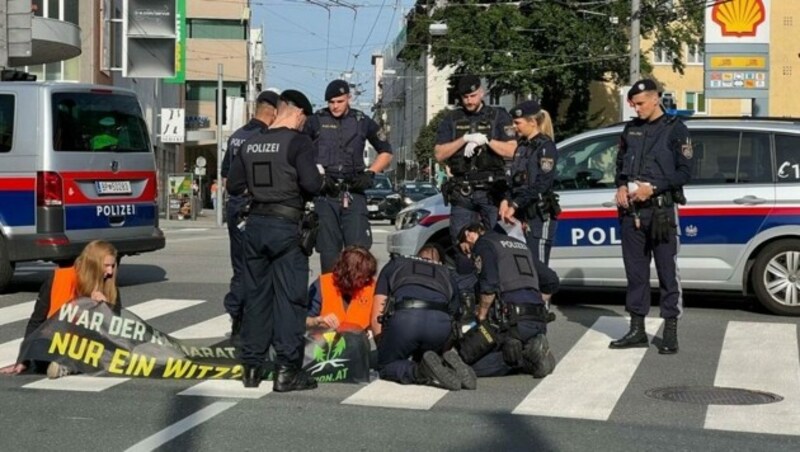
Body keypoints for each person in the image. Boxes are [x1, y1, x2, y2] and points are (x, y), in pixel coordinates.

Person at [226, 89, 322, 390]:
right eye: (304, 118)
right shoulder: (298, 142)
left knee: (256, 298)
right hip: (286, 226)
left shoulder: (250, 143)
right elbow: (311, 184)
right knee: (290, 300)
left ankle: (251, 368)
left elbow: (234, 185)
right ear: (298, 113)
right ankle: (286, 371)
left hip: (255, 225)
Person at [609, 79, 693, 354]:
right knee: (636, 274)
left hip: (661, 212)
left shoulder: (675, 129)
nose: (636, 108)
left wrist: (653, 188)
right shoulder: (631, 128)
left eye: (641, 103)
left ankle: (670, 330)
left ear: (656, 99)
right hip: (631, 213)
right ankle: (636, 329)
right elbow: (620, 166)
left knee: (668, 273)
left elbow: (684, 172)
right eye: (633, 104)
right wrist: (621, 186)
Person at [434, 75, 516, 293]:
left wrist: (487, 140)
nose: (469, 101)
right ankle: (467, 295)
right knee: (462, 244)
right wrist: (464, 139)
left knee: (495, 244)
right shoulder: (451, 119)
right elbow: (440, 153)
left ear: (482, 92)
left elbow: (512, 150)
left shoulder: (498, 116)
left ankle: (494, 293)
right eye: (465, 97)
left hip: (491, 190)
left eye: (473, 95)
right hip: (463, 191)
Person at [305, 79, 393, 273]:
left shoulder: (362, 121)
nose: (335, 106)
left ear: (348, 99)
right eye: (331, 102)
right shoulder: (316, 120)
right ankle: (330, 301)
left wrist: (370, 173)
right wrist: (317, 174)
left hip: (354, 191)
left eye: (339, 101)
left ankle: (357, 300)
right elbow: (300, 151)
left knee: (358, 254)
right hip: (326, 194)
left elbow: (386, 151)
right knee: (329, 254)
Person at [0, 240, 121, 379]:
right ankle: (66, 364)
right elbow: (37, 321)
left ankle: (68, 366)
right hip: (57, 341)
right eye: (106, 266)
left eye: (113, 266)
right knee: (43, 350)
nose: (110, 271)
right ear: (92, 264)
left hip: (89, 345)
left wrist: (104, 308)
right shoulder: (60, 278)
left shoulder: (110, 288)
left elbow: (115, 331)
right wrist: (23, 360)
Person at [457, 223, 556, 378]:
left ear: (469, 234)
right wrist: (535, 303)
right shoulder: (519, 244)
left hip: (512, 322)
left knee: (469, 363)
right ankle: (532, 349)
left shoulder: (484, 245)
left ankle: (525, 358)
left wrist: (481, 315)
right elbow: (551, 281)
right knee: (510, 344)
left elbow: (489, 285)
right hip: (538, 320)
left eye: (466, 249)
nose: (469, 255)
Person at [370, 245, 475, 391]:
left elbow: (378, 310)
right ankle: (446, 364)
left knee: (387, 365)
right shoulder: (447, 273)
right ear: (439, 261)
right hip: (439, 324)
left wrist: (382, 345)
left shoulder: (395, 264)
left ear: (417, 255)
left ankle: (419, 371)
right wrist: (444, 351)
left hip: (406, 320)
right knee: (430, 357)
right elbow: (455, 319)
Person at [220, 90, 280, 341]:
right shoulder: (264, 138)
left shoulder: (237, 136)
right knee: (258, 267)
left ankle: (237, 317)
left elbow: (226, 177)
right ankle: (252, 322)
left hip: (235, 206)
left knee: (240, 266)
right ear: (273, 112)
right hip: (255, 208)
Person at [499, 100, 561, 266]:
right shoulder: (522, 146)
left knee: (538, 269)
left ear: (532, 122)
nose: (514, 127)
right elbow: (515, 179)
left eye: (518, 123)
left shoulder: (546, 147)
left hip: (538, 214)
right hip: (521, 215)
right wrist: (506, 200)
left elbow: (542, 184)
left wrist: (516, 204)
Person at [306, 246, 378, 332]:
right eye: (362, 276)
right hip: (325, 342)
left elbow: (380, 321)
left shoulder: (372, 286)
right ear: (349, 275)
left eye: (369, 275)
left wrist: (371, 329)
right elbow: (302, 321)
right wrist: (317, 320)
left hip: (359, 342)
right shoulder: (322, 284)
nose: (367, 279)